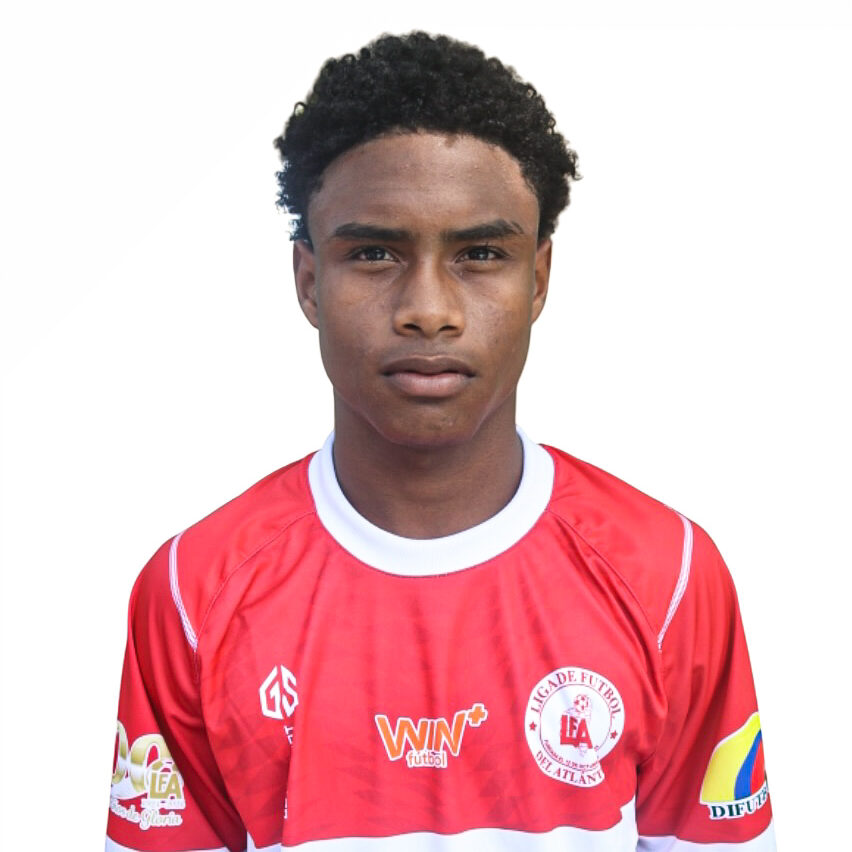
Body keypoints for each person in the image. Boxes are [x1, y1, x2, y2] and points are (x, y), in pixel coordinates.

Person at [105, 32, 776, 852]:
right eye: (374, 253)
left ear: (538, 279)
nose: (429, 309)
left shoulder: (667, 575)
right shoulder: (193, 592)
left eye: (480, 254)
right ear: (309, 282)